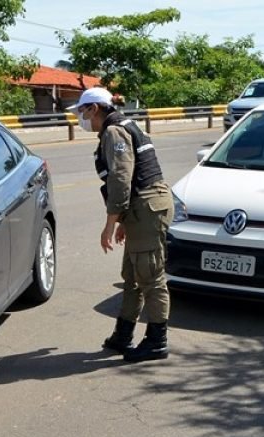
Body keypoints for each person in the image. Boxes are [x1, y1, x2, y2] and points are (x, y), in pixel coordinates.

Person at [68, 87, 175, 362]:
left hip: (147, 208)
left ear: (94, 109)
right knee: (133, 276)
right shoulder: (121, 126)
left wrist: (110, 223)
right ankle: (123, 334)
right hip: (142, 208)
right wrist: (125, 221)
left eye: (82, 112)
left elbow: (121, 178)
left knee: (150, 277)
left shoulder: (115, 132)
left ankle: (157, 340)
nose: (81, 119)